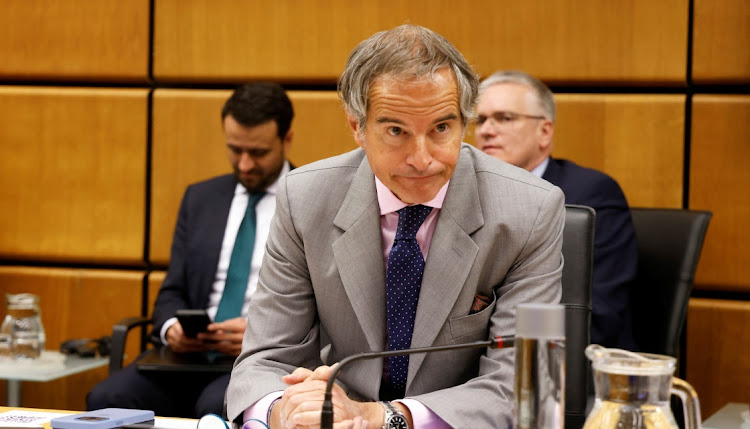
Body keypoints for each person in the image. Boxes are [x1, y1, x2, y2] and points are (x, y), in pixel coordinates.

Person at [226, 25, 565, 428]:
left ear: (463, 122)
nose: (422, 159)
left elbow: (532, 387)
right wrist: (285, 409)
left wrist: (384, 418)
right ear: (357, 128)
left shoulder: (534, 209)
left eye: (441, 128)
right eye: (396, 131)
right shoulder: (305, 198)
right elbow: (265, 357)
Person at [86, 82, 294, 417]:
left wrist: (260, 336)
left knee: (213, 406)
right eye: (234, 149)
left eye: (257, 153)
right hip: (186, 358)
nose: (244, 165)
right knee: (107, 398)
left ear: (286, 139)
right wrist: (173, 329)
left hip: (260, 361)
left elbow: (325, 311)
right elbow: (172, 292)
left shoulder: (309, 200)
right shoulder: (200, 199)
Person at [474, 70, 638, 350]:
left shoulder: (591, 194)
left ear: (544, 131)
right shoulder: (467, 194)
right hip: (475, 365)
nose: (486, 130)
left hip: (567, 367)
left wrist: (503, 345)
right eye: (480, 120)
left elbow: (596, 314)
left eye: (504, 118)